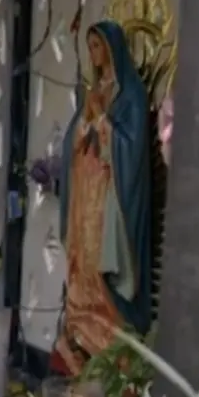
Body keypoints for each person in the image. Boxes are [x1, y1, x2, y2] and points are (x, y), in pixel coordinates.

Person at [51, 20, 153, 376]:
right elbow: (72, 144)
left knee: (100, 265)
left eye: (99, 46)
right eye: (90, 47)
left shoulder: (132, 96)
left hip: (110, 199)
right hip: (85, 193)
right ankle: (79, 332)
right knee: (81, 262)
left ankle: (108, 342)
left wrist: (103, 123)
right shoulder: (94, 91)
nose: (94, 54)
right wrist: (86, 124)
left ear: (113, 50)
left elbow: (132, 148)